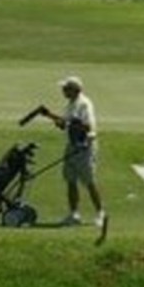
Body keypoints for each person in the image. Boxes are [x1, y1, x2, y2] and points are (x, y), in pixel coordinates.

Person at [39, 75, 102, 227]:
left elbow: (87, 127)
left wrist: (67, 124)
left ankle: (100, 213)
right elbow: (66, 123)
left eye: (66, 88)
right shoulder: (70, 104)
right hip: (72, 145)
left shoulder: (84, 104)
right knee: (70, 180)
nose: (63, 91)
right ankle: (74, 214)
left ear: (75, 90)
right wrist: (50, 115)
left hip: (85, 146)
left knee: (89, 181)